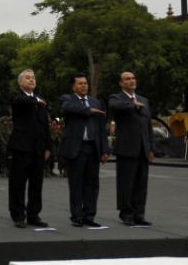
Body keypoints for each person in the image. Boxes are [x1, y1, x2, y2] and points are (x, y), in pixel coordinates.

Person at [60, 74, 110, 228]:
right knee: (76, 184)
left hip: (93, 148)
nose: (84, 86)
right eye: (80, 83)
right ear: (73, 86)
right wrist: (89, 110)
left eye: (85, 83)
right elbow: (67, 109)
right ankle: (77, 216)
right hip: (76, 148)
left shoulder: (96, 102)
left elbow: (101, 128)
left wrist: (105, 150)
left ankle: (89, 216)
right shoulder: (68, 99)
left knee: (92, 184)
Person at [109, 71, 155, 227]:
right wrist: (131, 104)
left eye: (133, 78)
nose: (131, 81)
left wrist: (151, 147)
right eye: (127, 79)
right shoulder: (117, 98)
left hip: (143, 149)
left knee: (141, 184)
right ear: (121, 83)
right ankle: (126, 214)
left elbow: (148, 126)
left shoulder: (144, 100)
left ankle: (139, 214)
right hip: (126, 148)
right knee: (126, 183)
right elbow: (114, 106)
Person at [7, 69, 52, 228]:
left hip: (38, 148)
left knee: (36, 183)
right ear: (20, 82)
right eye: (27, 78)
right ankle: (18, 214)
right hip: (21, 147)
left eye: (33, 77)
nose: (31, 80)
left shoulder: (40, 100)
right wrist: (35, 101)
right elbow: (20, 101)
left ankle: (34, 214)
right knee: (18, 183)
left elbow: (45, 124)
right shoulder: (16, 96)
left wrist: (48, 146)